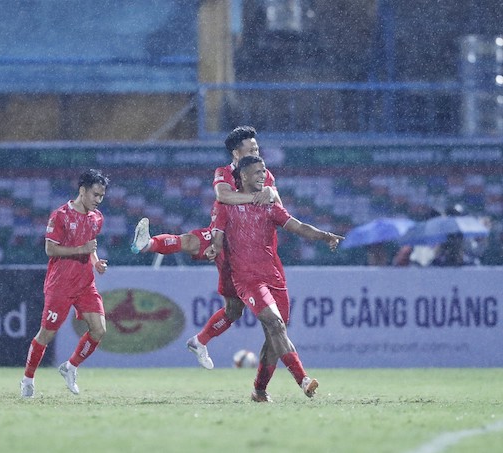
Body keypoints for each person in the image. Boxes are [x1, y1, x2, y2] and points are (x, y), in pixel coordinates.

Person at [131, 126, 283, 372]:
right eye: (252, 148)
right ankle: (147, 243)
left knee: (234, 310)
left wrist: (271, 194)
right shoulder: (223, 172)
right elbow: (224, 196)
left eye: (257, 147)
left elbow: (278, 207)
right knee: (191, 240)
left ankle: (199, 341)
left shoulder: (265, 175)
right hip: (222, 235)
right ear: (236, 153)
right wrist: (258, 197)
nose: (257, 151)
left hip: (248, 249)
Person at [209, 155, 344, 402]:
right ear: (244, 176)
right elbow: (216, 236)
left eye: (264, 171)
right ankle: (303, 379)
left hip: (274, 278)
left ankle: (259, 391)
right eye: (257, 172)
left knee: (274, 339)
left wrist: (325, 236)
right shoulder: (226, 206)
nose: (263, 176)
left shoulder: (269, 204)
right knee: (275, 325)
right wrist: (213, 248)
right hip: (247, 280)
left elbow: (297, 225)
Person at [20, 169, 110, 397]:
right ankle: (28, 379)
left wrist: (96, 263)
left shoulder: (96, 218)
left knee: (99, 330)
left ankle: (70, 367)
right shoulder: (60, 215)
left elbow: (91, 246)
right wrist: (82, 250)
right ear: (82, 191)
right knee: (46, 335)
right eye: (95, 195)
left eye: (101, 196)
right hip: (60, 284)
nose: (98, 200)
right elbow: (50, 249)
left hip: (85, 284)